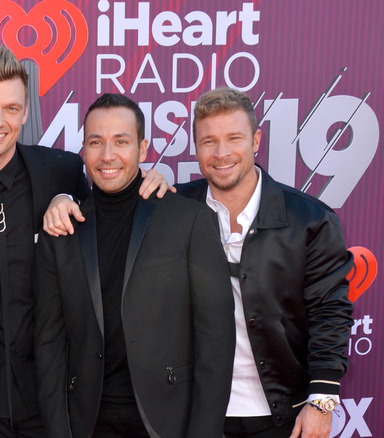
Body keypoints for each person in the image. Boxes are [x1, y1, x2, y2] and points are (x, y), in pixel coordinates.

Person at [44, 87, 355, 438]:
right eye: (209, 142)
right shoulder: (175, 203)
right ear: (195, 148)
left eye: (234, 138)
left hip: (280, 410)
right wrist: (63, 196)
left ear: (255, 140)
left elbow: (331, 312)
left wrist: (322, 398)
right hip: (191, 410)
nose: (221, 153)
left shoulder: (309, 219)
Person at [0, 46, 167, 437]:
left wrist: (150, 186)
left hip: (53, 394)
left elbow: (113, 208)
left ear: (26, 112)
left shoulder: (63, 173)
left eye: (11, 108)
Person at [34, 93, 235, 438]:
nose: (108, 155)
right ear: (83, 149)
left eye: (121, 142)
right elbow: (49, 346)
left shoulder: (188, 220)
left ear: (143, 149)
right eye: (96, 142)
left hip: (168, 422)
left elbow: (215, 344)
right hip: (88, 423)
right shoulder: (62, 230)